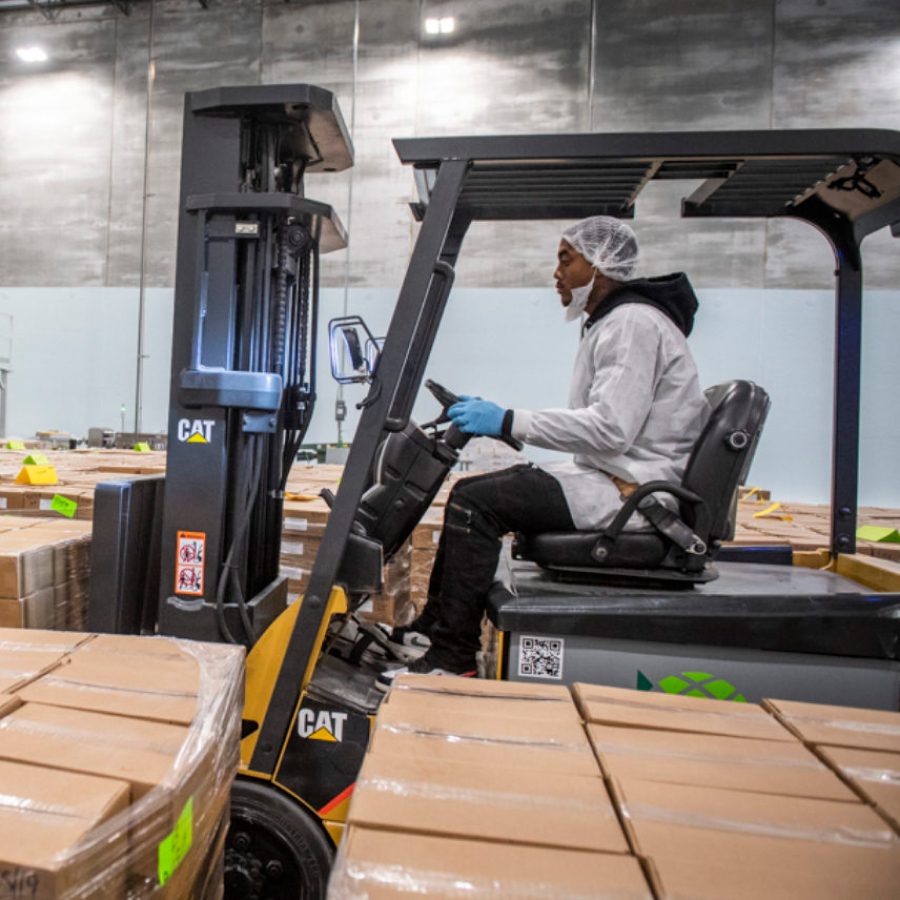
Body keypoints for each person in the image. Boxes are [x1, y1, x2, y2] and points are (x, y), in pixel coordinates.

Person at [376, 215, 709, 689]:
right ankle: (437, 625)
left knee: (476, 503)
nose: (557, 273)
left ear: (599, 263)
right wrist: (504, 420)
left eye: (565, 260)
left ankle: (453, 656)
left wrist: (510, 420)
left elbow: (611, 428)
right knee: (473, 493)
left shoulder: (632, 323)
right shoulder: (617, 322)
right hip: (617, 476)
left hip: (635, 496)